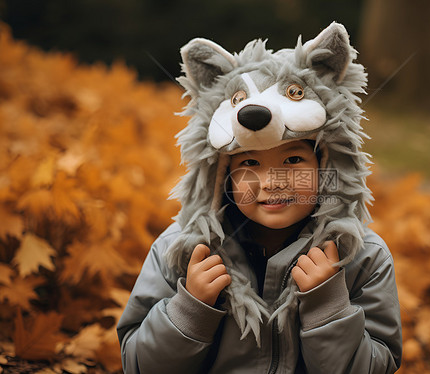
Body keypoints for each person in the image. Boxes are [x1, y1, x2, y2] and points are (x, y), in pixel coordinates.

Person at [117, 23, 402, 373]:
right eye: (249, 163)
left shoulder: (362, 258)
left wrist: (329, 308)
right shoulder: (179, 252)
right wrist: (189, 310)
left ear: (328, 164)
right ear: (221, 176)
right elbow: (136, 364)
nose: (272, 182)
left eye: (293, 160)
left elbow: (378, 366)